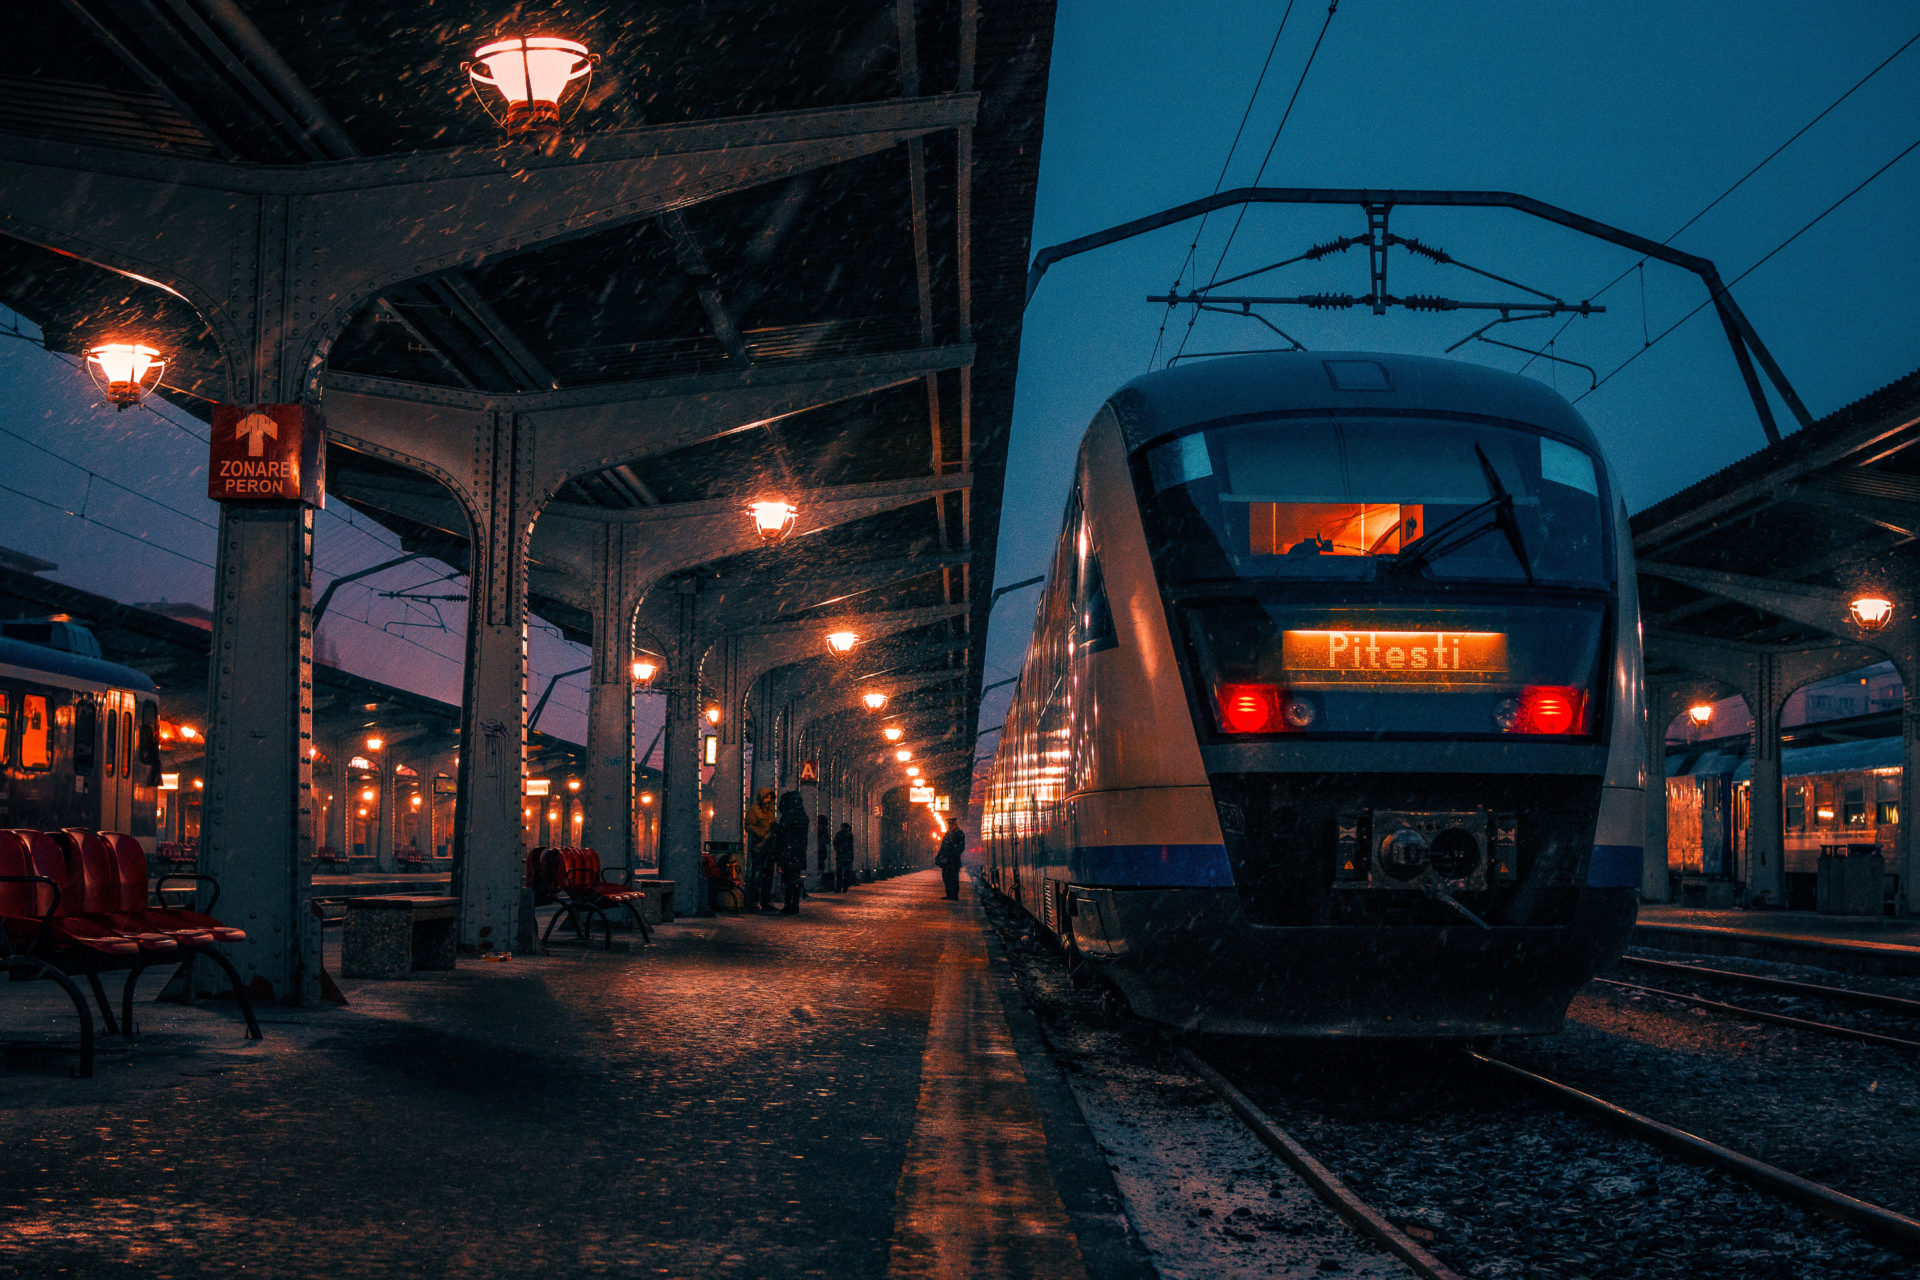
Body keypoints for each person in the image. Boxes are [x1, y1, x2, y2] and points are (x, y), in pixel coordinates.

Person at [775, 790, 810, 915]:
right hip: (799, 852)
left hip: (787, 851)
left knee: (787, 879)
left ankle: (788, 904)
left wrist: (774, 827)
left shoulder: (788, 815)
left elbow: (781, 831)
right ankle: (795, 904)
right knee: (795, 878)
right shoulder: (803, 816)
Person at [744, 788, 778, 912]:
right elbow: (749, 825)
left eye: (770, 797)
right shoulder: (754, 811)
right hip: (758, 847)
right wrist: (762, 835)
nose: (768, 800)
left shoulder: (770, 812)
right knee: (757, 874)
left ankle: (766, 901)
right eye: (766, 797)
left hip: (769, 849)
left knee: (768, 876)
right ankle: (753, 902)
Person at [935, 824, 965, 900]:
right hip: (946, 861)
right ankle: (949, 894)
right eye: (949, 824)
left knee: (954, 878)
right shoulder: (947, 834)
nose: (950, 826)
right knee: (946, 878)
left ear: (955, 824)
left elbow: (961, 847)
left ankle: (954, 895)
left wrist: (954, 855)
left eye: (951, 824)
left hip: (954, 861)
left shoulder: (959, 834)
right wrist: (938, 856)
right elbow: (942, 847)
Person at [832, 821, 854, 892]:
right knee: (846, 873)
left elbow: (835, 843)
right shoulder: (849, 835)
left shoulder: (839, 834)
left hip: (840, 855)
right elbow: (850, 846)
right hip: (847, 856)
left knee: (839, 872)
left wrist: (839, 849)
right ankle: (845, 888)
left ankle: (839, 887)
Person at [815, 813, 833, 891]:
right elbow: (827, 840)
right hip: (822, 850)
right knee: (821, 867)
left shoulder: (818, 829)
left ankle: (818, 883)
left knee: (819, 866)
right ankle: (820, 883)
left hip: (818, 850)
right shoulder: (824, 829)